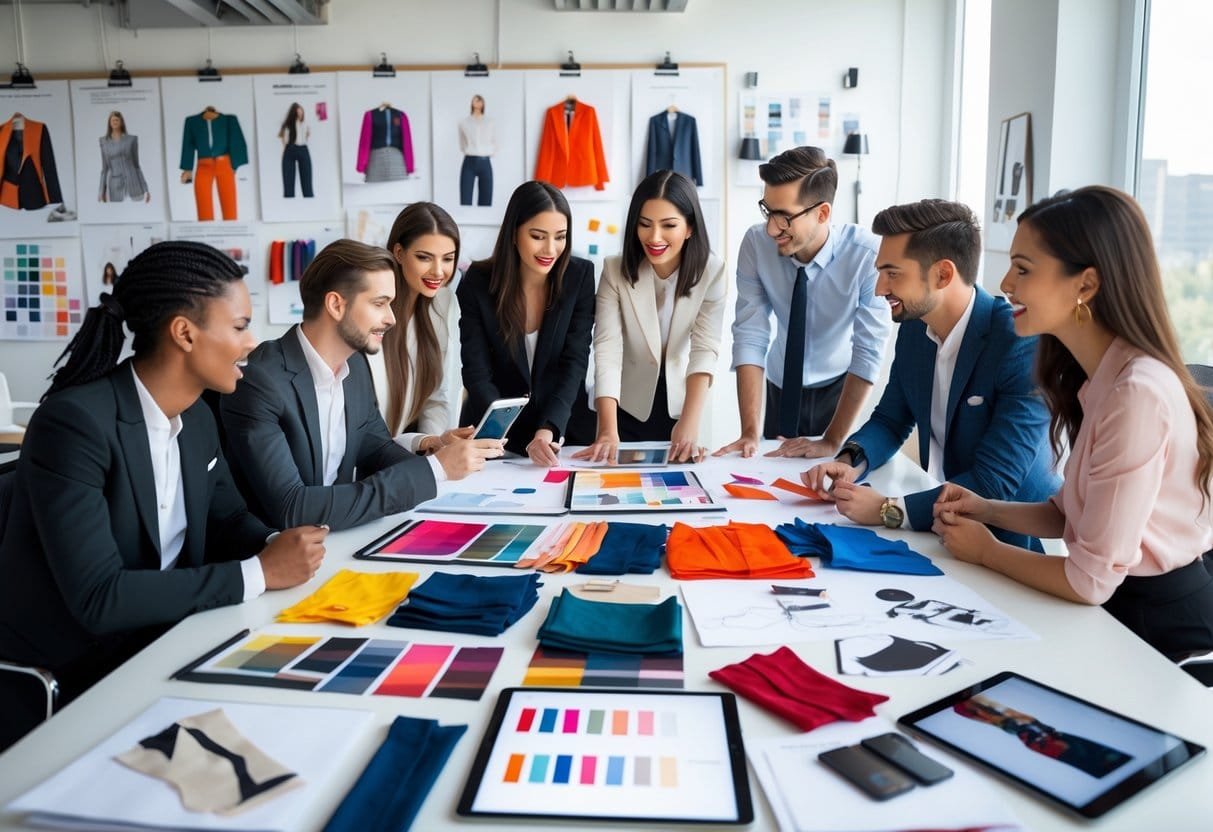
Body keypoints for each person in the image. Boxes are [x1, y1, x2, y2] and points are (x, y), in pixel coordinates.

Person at [0, 241, 327, 748]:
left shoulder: (196, 417)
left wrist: (276, 541)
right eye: (240, 326)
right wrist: (260, 572)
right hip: (72, 676)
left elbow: (225, 519)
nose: (251, 343)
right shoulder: (74, 425)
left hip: (164, 641)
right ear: (184, 333)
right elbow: (99, 598)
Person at [933, 186, 1213, 662]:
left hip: (1165, 636)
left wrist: (986, 551)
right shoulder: (1102, 375)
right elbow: (1068, 515)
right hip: (1122, 611)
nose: (1006, 282)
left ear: (1085, 285)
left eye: (1023, 268)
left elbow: (1089, 580)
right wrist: (987, 510)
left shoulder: (1136, 392)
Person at [801, 199, 1057, 549]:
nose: (879, 289)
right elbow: (891, 419)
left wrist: (891, 510)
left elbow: (993, 481)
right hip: (944, 532)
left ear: (942, 274)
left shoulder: (1019, 342)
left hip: (1015, 545)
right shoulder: (914, 329)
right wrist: (850, 462)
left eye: (892, 274)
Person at [221, 239, 501, 531]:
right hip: (276, 556)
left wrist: (438, 453)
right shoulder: (259, 381)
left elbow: (377, 449)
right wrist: (435, 470)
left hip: (337, 542)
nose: (391, 318)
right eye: (380, 303)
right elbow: (292, 508)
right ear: (336, 305)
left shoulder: (353, 366)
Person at [715, 146, 892, 459]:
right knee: (769, 475)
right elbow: (751, 333)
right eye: (768, 211)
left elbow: (868, 350)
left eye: (784, 217)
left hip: (840, 387)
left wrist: (833, 439)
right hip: (779, 385)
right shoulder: (756, 245)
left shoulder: (866, 256)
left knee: (827, 483)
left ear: (822, 213)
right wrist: (749, 432)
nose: (771, 228)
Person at [573, 170, 726, 464]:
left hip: (682, 406)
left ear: (690, 227)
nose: (654, 237)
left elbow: (704, 348)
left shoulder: (712, 272)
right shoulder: (614, 270)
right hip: (623, 404)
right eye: (644, 225)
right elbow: (607, 349)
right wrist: (607, 429)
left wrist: (690, 422)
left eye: (668, 225)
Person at [458, 180, 596, 465]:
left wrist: (548, 429)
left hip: (562, 428)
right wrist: (503, 431)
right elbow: (476, 370)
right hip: (494, 433)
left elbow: (575, 362)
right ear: (513, 233)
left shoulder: (579, 276)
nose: (551, 248)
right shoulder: (476, 283)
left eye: (560, 236)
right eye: (537, 236)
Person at [368, 202, 466, 454]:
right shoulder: (371, 310)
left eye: (447, 259)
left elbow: (439, 397)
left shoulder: (443, 304)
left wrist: (433, 445)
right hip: (365, 461)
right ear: (399, 253)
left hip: (407, 454)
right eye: (424, 257)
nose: (438, 271)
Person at [98, 110, 149, 203]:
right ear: (109, 123)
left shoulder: (132, 139)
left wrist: (146, 189)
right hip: (115, 186)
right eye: (112, 120)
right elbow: (104, 169)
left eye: (117, 120)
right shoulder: (103, 141)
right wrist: (101, 191)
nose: (114, 122)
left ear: (121, 122)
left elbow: (136, 165)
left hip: (134, 183)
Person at [459, 94, 494, 206]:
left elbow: (495, 140)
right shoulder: (464, 122)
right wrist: (469, 149)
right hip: (469, 160)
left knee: (486, 199)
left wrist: (488, 151)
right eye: (475, 100)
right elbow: (462, 142)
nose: (477, 103)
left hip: (485, 161)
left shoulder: (490, 122)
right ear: (472, 103)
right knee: (465, 198)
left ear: (483, 103)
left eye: (480, 101)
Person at [278, 102, 313, 199]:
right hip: (290, 149)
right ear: (293, 113)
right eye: (298, 113)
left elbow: (307, 137)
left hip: (303, 149)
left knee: (307, 185)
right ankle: (288, 208)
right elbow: (283, 140)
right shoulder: (287, 125)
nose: (300, 115)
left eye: (301, 113)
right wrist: (284, 151)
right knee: (288, 186)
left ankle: (310, 206)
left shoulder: (305, 124)